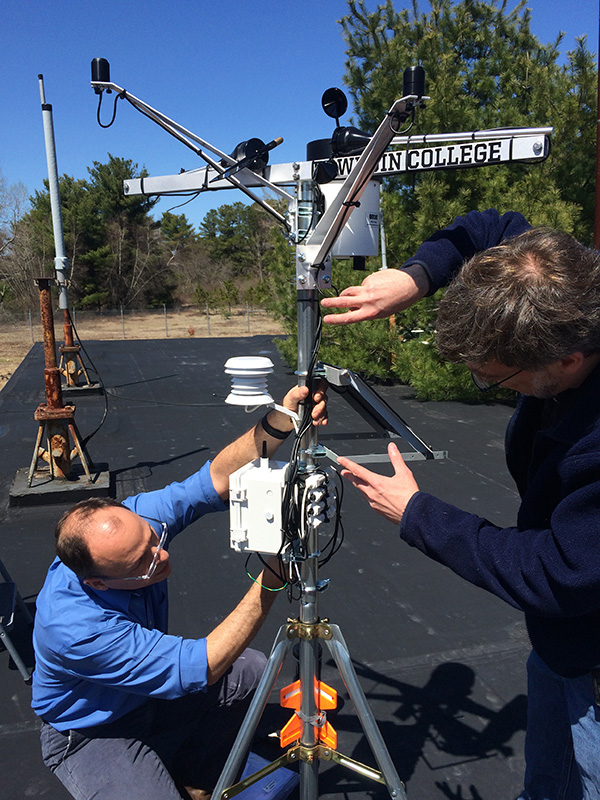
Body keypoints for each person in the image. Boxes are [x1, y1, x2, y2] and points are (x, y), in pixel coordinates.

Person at [322, 208, 600, 800]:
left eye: (496, 379)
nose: (489, 386)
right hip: (563, 643)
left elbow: (562, 573)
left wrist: (421, 515)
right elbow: (486, 228)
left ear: (568, 361)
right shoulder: (556, 279)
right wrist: (417, 276)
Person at [32, 385, 327, 800]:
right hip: (95, 729)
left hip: (148, 700)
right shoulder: (76, 628)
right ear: (98, 582)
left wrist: (281, 419)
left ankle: (193, 774)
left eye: (154, 539)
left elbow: (216, 480)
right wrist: (274, 572)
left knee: (252, 671)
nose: (162, 555)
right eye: (144, 561)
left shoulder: (132, 527)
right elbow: (202, 664)